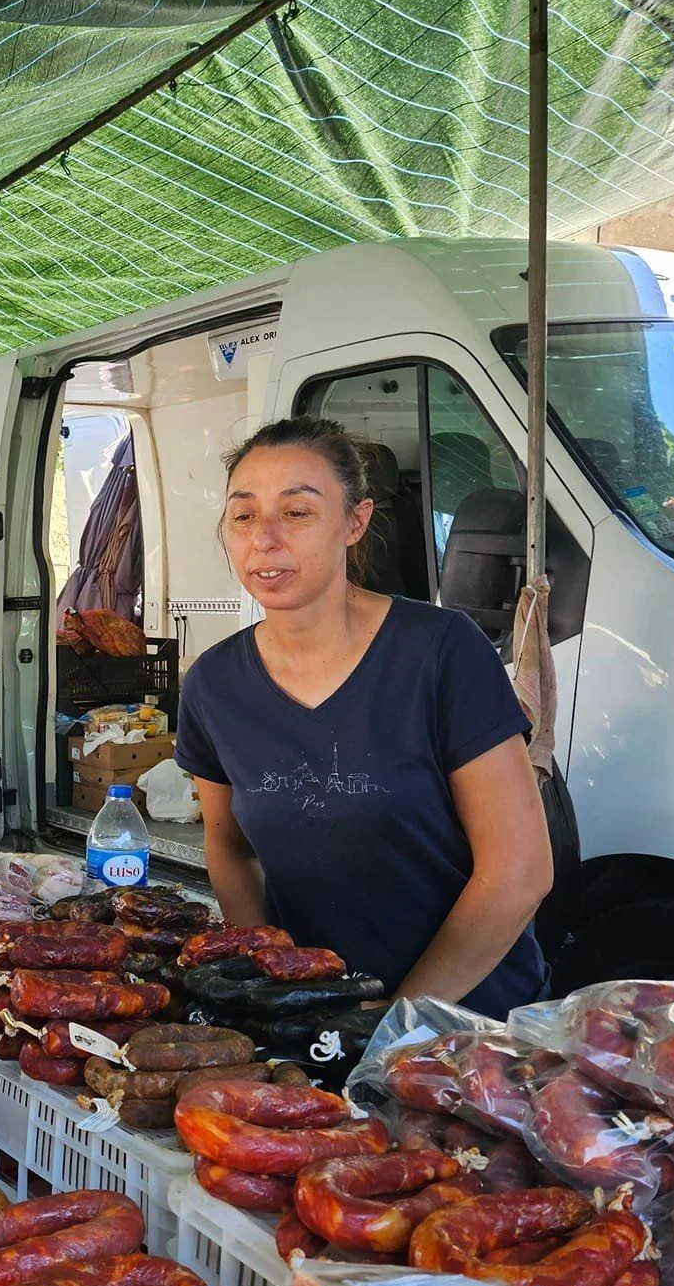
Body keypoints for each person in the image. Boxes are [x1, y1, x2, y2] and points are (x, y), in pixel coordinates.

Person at [175, 417, 552, 1016]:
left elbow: (521, 870)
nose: (264, 539)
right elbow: (231, 851)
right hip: (312, 1023)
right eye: (243, 515)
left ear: (356, 522)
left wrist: (397, 1018)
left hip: (467, 1023)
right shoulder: (213, 684)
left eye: (296, 512)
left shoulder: (440, 652)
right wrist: (269, 977)